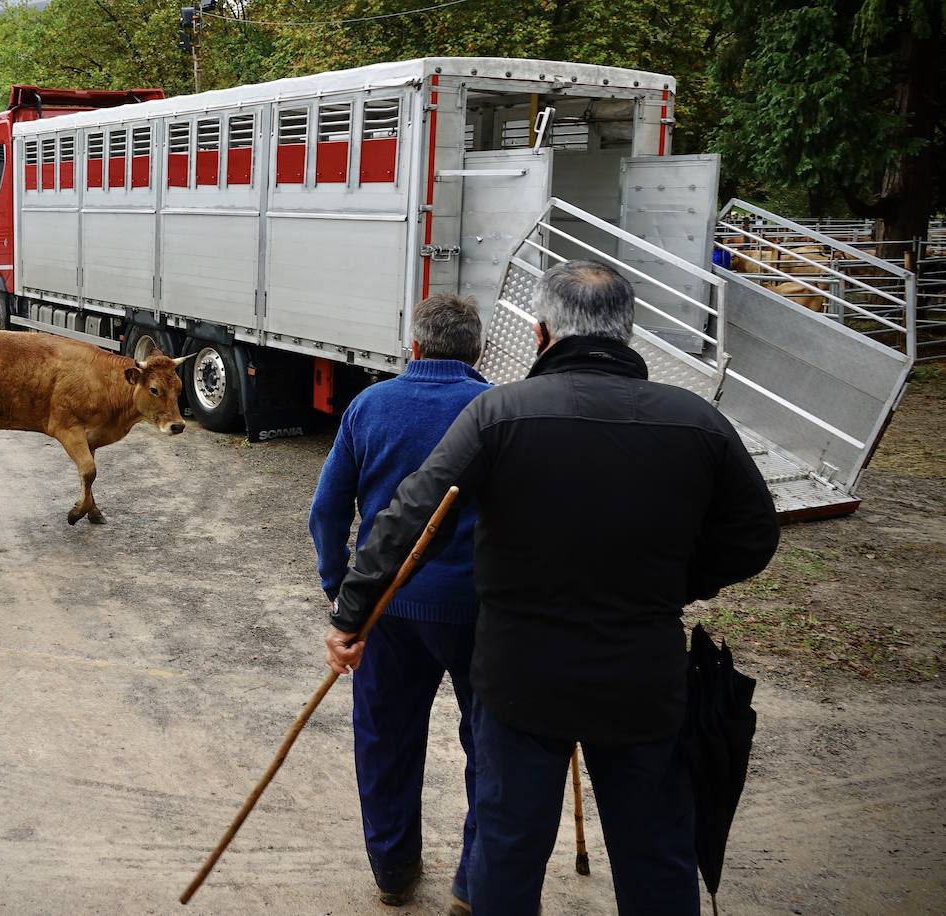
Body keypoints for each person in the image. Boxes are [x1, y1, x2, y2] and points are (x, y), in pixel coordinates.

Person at [326, 261, 780, 916]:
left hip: (522, 678)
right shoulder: (695, 421)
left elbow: (410, 515)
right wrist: (673, 581)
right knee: (655, 855)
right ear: (627, 334)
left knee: (508, 856)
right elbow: (754, 536)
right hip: (642, 678)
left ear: (541, 334)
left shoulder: (498, 414)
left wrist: (351, 612)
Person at [310, 293, 490, 912]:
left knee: (385, 740)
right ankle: (475, 880)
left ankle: (393, 870)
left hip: (386, 608)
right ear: (479, 350)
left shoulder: (369, 406)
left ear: (413, 346)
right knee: (490, 744)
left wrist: (341, 592)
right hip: (482, 611)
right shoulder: (496, 410)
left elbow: (328, 510)